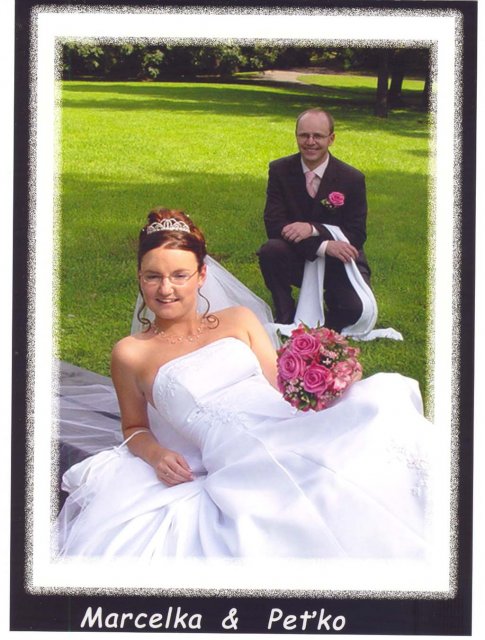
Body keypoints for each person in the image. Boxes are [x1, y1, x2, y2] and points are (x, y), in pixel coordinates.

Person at [57, 207, 442, 561]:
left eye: (179, 275)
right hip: (233, 451)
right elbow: (134, 427)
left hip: (282, 419)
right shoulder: (131, 353)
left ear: (201, 275)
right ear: (139, 278)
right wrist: (157, 455)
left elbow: (283, 385)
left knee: (375, 413)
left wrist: (328, 377)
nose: (165, 289)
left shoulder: (238, 319)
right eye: (152, 276)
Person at [258, 108, 372, 331]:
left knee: (355, 312)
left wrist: (313, 228)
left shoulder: (352, 178)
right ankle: (285, 313)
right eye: (304, 135)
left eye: (318, 136)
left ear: (331, 138)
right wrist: (322, 246)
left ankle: (331, 306)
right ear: (296, 136)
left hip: (338, 260)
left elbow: (357, 233)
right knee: (271, 250)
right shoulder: (280, 170)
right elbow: (274, 224)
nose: (310, 142)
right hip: (297, 255)